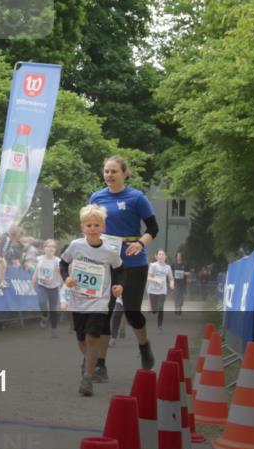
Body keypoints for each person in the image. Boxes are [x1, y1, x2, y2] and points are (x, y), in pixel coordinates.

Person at [88, 155, 159, 378]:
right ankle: (100, 364)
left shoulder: (136, 197)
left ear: (124, 173)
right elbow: (91, 228)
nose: (109, 175)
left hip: (133, 262)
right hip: (105, 262)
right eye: (106, 171)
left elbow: (153, 228)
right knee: (103, 312)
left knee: (132, 312)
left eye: (114, 171)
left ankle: (144, 345)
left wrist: (140, 243)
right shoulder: (97, 197)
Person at [60, 205, 123, 397]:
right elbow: (63, 263)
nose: (93, 228)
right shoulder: (76, 246)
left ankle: (87, 378)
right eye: (89, 225)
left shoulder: (109, 250)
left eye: (97, 225)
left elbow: (120, 269)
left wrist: (119, 285)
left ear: (103, 227)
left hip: (99, 301)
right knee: (81, 338)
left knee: (91, 337)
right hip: (78, 300)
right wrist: (66, 278)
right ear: (83, 227)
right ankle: (88, 360)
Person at [32, 239, 62, 337]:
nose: (51, 248)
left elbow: (61, 274)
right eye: (49, 246)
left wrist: (61, 286)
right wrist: (33, 283)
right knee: (42, 303)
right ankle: (44, 317)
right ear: (44, 248)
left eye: (53, 247)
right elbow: (36, 272)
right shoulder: (39, 259)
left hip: (54, 287)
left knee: (54, 309)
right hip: (42, 285)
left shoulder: (58, 261)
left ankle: (54, 330)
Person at [147, 249, 174, 332]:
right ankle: (154, 310)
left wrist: (171, 284)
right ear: (157, 256)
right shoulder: (153, 265)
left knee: (160, 308)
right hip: (152, 290)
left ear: (165, 257)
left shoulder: (168, 267)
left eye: (163, 255)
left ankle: (160, 326)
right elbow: (148, 277)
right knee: (154, 310)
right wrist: (156, 280)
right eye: (159, 254)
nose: (161, 256)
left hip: (162, 291)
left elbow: (171, 278)